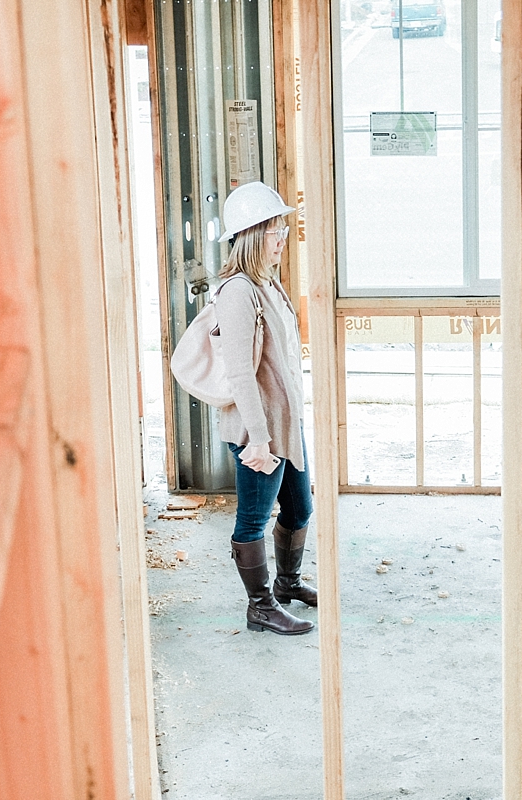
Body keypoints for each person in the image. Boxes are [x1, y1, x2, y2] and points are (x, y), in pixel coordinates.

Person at [214, 181, 316, 636]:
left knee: (300, 510)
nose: (283, 238)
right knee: (253, 519)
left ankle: (288, 582)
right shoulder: (238, 292)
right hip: (260, 430)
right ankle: (260, 607)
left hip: (285, 424)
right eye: (276, 229)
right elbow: (240, 374)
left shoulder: (269, 284)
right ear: (254, 234)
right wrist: (259, 438)